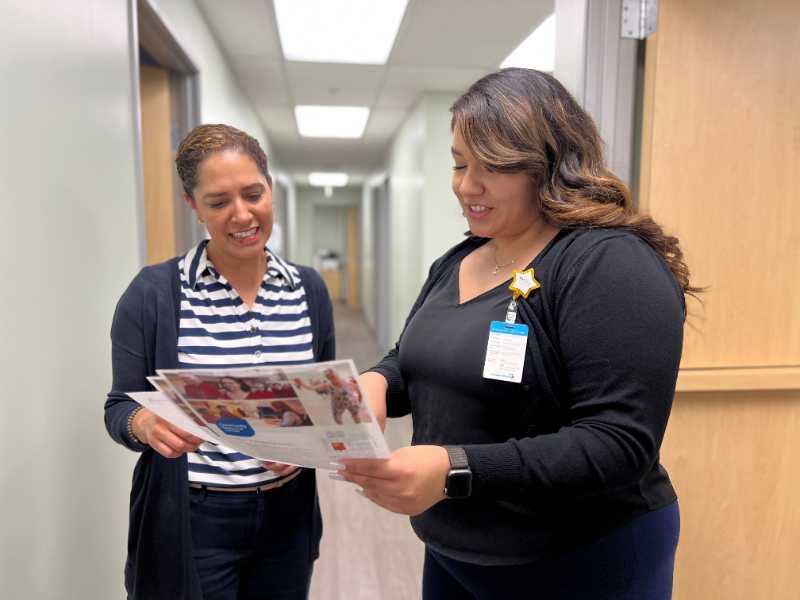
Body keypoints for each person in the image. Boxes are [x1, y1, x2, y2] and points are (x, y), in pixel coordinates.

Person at [341, 68, 695, 599]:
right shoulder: (457, 260)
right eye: (459, 163)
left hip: (580, 557)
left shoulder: (608, 263)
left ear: (549, 165)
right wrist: (376, 382)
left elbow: (618, 442)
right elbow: (412, 359)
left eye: (494, 166)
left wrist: (454, 468)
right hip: (457, 547)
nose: (467, 185)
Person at [104, 124, 334, 600]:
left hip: (288, 516)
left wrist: (309, 439)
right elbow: (119, 407)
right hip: (194, 521)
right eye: (218, 202)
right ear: (193, 205)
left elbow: (324, 399)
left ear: (270, 187)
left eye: (253, 194)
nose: (242, 215)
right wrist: (144, 423)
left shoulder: (308, 290)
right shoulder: (153, 294)